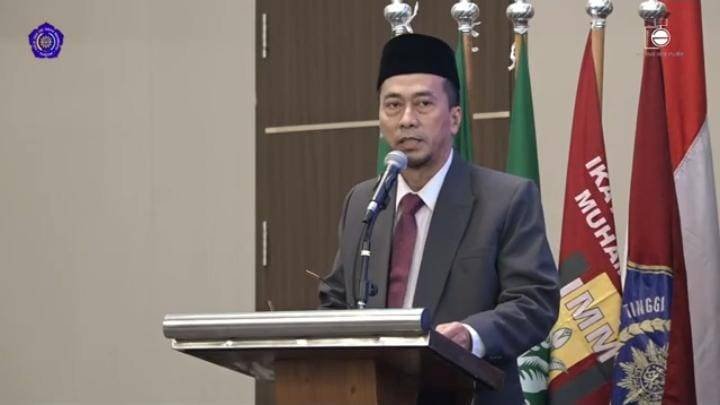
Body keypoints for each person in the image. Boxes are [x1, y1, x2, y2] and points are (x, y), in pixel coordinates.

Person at [319, 33, 559, 404]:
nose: (406, 120)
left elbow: (535, 301)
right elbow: (336, 300)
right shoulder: (364, 202)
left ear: (454, 118)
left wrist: (471, 335)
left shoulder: (505, 199)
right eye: (393, 105)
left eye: (423, 104)